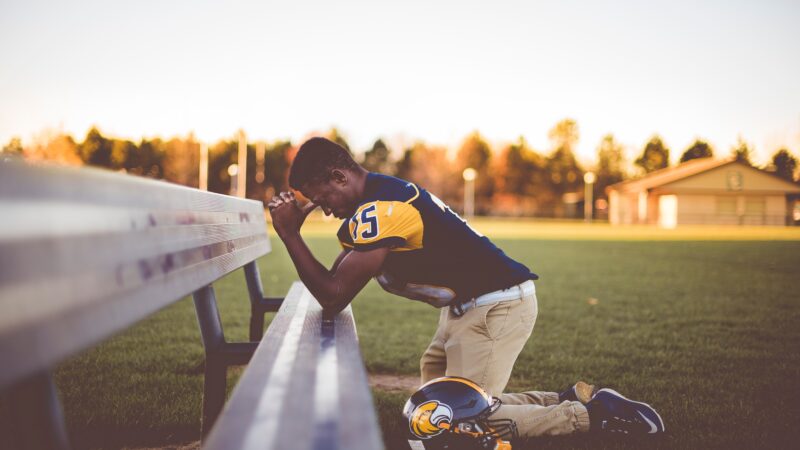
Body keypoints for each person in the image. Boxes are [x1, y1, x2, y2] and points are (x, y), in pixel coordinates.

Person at [268, 137, 664, 441]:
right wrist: (294, 235)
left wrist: (289, 235)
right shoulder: (374, 201)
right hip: (469, 309)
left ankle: (593, 416)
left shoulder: (382, 208)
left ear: (340, 177)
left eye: (323, 198)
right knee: (436, 408)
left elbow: (334, 294)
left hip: (495, 307)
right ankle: (567, 399)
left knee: (460, 422)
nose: (324, 208)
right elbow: (336, 283)